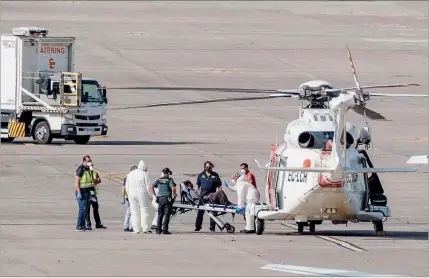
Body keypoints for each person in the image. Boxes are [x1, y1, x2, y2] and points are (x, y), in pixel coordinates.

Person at [125, 160, 152, 234]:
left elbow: (126, 186)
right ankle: (145, 228)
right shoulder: (144, 174)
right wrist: (150, 196)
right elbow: (148, 186)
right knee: (144, 210)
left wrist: (128, 194)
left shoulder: (130, 174)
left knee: (134, 211)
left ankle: (136, 229)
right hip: (142, 193)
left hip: (131, 193)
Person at [194, 161, 222, 232]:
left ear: (212, 167)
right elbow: (198, 186)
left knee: (213, 212)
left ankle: (212, 227)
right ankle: (198, 226)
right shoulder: (201, 175)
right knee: (200, 212)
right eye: (206, 167)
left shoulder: (215, 175)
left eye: (209, 167)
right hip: (202, 196)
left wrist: (218, 194)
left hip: (212, 196)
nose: (208, 168)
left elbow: (219, 186)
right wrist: (198, 194)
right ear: (204, 167)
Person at [150, 167, 177, 235]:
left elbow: (151, 186)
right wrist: (174, 194)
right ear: (168, 173)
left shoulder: (159, 179)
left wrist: (154, 194)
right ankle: (165, 230)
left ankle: (158, 230)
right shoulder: (169, 180)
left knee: (160, 214)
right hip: (167, 198)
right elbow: (173, 188)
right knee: (167, 214)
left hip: (160, 198)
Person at [83, 159, 107, 230]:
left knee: (96, 209)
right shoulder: (84, 173)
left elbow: (99, 180)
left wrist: (97, 180)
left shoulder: (94, 173)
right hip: (87, 193)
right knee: (87, 210)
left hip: (93, 194)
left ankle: (98, 223)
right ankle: (88, 224)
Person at [75, 155, 96, 231]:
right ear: (84, 161)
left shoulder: (89, 169)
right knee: (82, 209)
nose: (90, 162)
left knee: (85, 209)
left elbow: (91, 181)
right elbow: (77, 182)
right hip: (82, 191)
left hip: (87, 191)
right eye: (88, 161)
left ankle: (83, 225)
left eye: (90, 161)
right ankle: (79, 225)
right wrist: (79, 192)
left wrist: (93, 193)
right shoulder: (81, 169)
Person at [122, 165, 138, 232]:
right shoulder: (128, 177)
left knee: (131, 211)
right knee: (130, 211)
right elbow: (124, 188)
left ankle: (129, 226)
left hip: (131, 195)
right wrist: (123, 197)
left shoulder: (130, 176)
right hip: (129, 196)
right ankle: (128, 226)